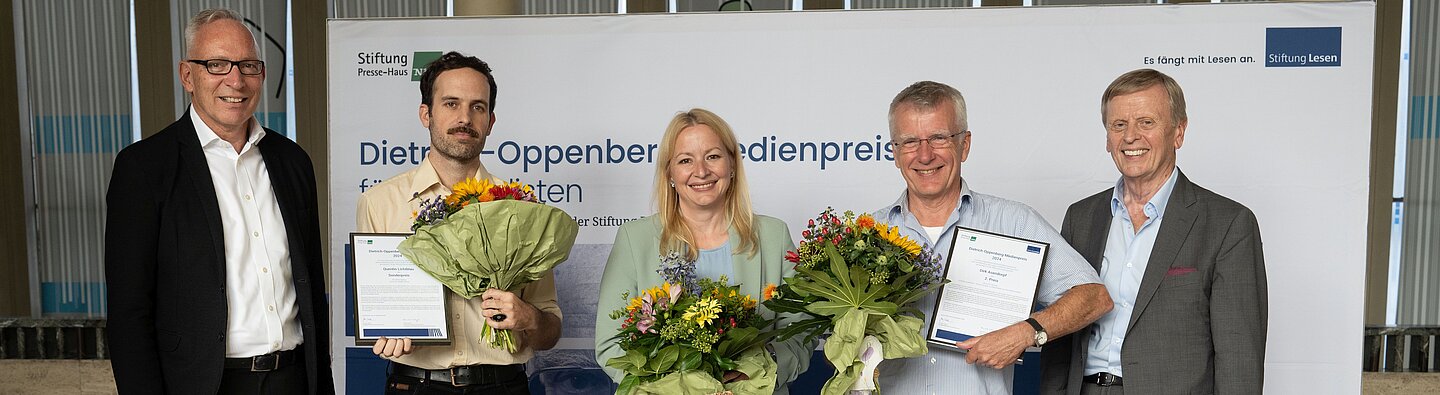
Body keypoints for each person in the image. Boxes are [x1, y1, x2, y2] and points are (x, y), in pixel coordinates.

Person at [104, 8, 333, 394]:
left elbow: (311, 291)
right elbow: (129, 313)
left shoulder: (293, 162)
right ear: (187, 76)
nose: (236, 80)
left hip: (294, 378)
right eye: (217, 65)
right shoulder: (144, 168)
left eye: (248, 66)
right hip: (204, 383)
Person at [870, 81, 1113, 394]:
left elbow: (1093, 297)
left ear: (965, 144)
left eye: (939, 138)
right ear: (894, 151)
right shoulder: (867, 235)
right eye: (910, 142)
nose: (925, 155)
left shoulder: (1013, 222)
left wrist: (1029, 332)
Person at [1039, 69, 1267, 395]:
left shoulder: (1228, 224)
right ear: (1107, 138)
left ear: (1179, 131)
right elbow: (1062, 337)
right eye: (1119, 125)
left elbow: (1239, 356)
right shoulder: (1082, 217)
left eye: (1146, 122)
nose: (1131, 136)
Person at [355, 51, 561, 394]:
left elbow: (550, 331)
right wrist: (386, 329)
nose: (465, 117)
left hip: (503, 386)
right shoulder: (379, 203)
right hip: (415, 384)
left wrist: (529, 318)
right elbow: (377, 312)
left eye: (477, 107)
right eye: (451, 103)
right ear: (426, 114)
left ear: (490, 121)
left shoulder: (521, 208)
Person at [594, 109, 813, 394]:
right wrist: (681, 387)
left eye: (713, 156)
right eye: (686, 160)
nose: (701, 171)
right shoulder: (635, 240)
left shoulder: (773, 236)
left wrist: (760, 367)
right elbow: (611, 346)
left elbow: (802, 333)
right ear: (669, 173)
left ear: (732, 164)